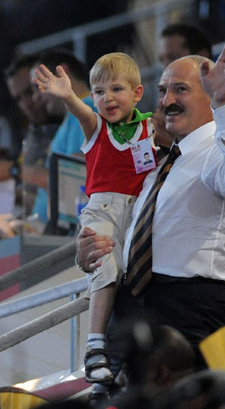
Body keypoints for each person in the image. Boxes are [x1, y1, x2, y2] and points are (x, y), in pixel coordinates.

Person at [76, 38, 225, 384]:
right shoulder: (157, 162)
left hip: (189, 307)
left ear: (210, 94)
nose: (167, 101)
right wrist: (88, 252)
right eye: (163, 90)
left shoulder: (219, 151)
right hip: (131, 307)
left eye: (181, 89)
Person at [34, 52, 157, 385]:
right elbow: (83, 112)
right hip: (101, 209)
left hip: (140, 213)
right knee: (106, 266)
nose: (107, 98)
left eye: (116, 89)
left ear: (137, 93)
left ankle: (121, 361)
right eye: (99, 92)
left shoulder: (151, 127)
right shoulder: (96, 125)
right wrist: (69, 97)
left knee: (134, 276)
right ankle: (94, 346)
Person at [157, 22, 225, 147]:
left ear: (202, 56)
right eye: (162, 60)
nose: (166, 67)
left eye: (173, 57)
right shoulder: (166, 104)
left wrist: (223, 104)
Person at [29, 49, 96, 224]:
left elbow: (78, 170)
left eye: (39, 86)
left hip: (64, 232)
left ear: (62, 72)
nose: (36, 97)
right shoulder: (74, 115)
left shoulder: (85, 108)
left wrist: (24, 173)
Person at [5, 53, 64, 218]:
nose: (27, 103)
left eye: (30, 91)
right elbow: (34, 200)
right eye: (18, 98)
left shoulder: (78, 123)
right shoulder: (31, 139)